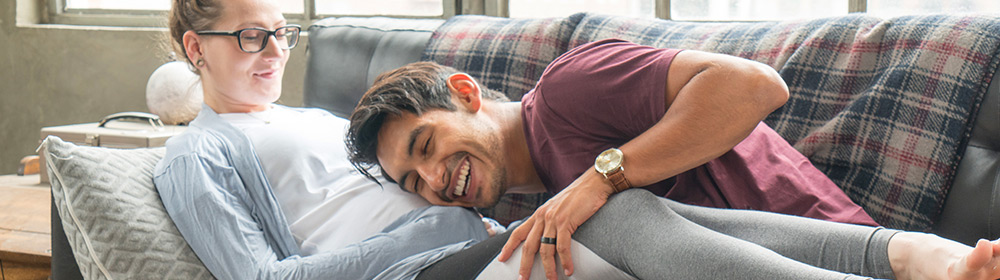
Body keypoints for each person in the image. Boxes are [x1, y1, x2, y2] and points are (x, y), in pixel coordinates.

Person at [346, 40, 1000, 280]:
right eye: (415, 182)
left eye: (426, 147)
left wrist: (601, 180)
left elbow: (756, 86)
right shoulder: (532, 192)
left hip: (819, 252)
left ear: (466, 94)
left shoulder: (570, 88)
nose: (434, 180)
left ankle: (904, 258)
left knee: (591, 219)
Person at [154, 0, 493, 278]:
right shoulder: (194, 154)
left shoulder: (314, 119)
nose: (276, 51)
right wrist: (442, 228)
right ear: (196, 47)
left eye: (281, 32)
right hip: (421, 267)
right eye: (252, 36)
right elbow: (263, 277)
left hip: (474, 241)